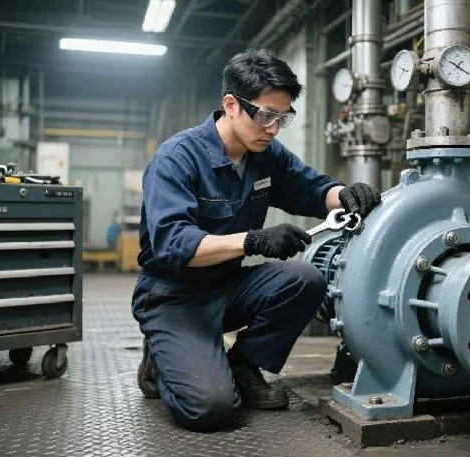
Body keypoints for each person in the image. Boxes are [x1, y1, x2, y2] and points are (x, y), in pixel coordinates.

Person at [131, 48, 381, 432]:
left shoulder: (265, 154)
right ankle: (161, 360)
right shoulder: (176, 159)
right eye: (266, 115)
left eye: (283, 117)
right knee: (212, 409)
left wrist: (345, 194)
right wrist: (253, 241)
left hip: (227, 287)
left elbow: (311, 189)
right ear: (231, 105)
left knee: (305, 278)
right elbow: (173, 245)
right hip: (173, 296)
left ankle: (243, 363)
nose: (274, 128)